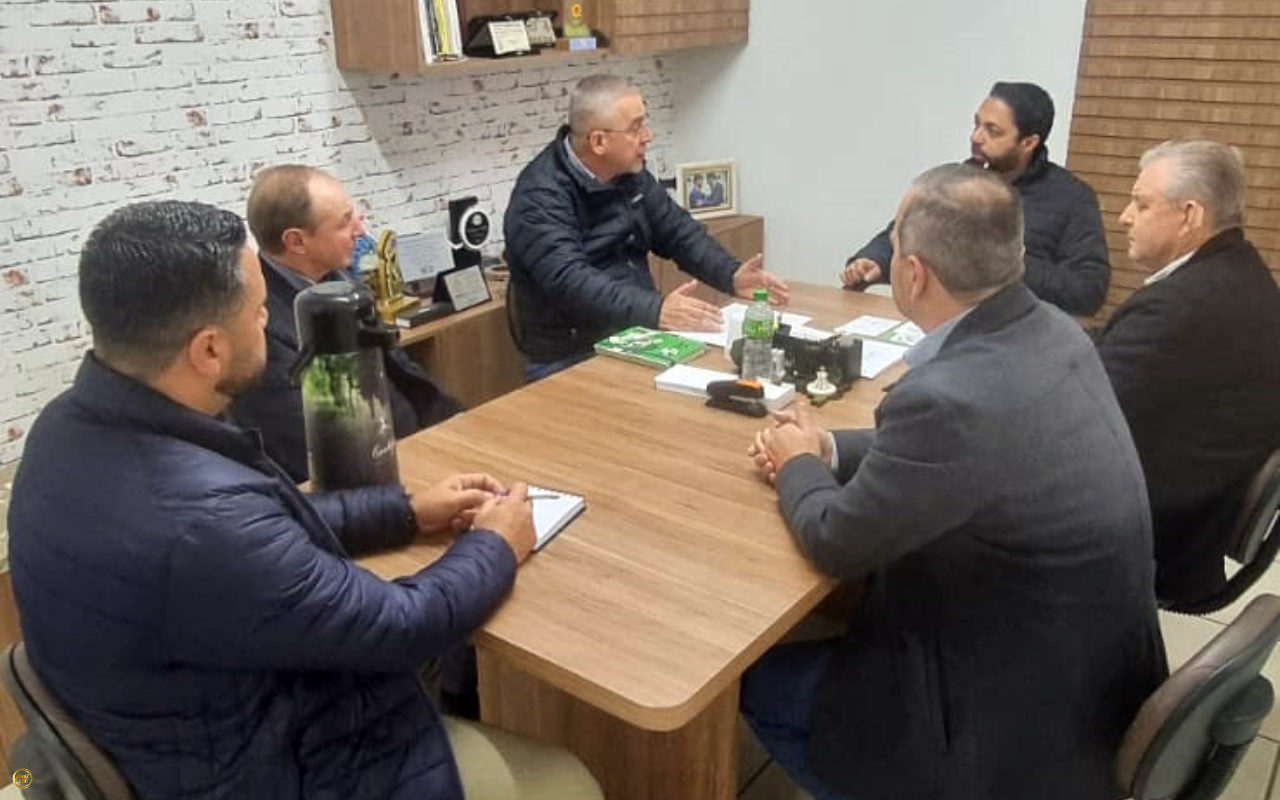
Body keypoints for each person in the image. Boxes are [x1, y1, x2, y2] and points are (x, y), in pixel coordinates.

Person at [6, 200, 603, 800]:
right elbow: (402, 625)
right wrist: (495, 543)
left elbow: (265, 521)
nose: (270, 321)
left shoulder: (65, 429)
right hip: (276, 768)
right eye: (260, 310)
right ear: (208, 350)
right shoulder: (205, 523)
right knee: (570, 781)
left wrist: (404, 512)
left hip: (171, 727)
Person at [745, 165, 1165, 800]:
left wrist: (797, 462)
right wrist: (827, 447)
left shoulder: (947, 399)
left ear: (913, 274)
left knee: (756, 680)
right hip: (1090, 686)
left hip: (1001, 732)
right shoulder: (1054, 331)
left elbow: (835, 542)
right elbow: (963, 454)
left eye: (894, 247)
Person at [504, 74, 790, 379]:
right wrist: (656, 310)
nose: (647, 136)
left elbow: (678, 231)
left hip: (638, 335)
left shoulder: (627, 173)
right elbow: (572, 282)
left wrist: (730, 274)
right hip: (574, 355)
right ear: (598, 141)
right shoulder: (539, 196)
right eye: (635, 128)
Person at [1094, 139, 1280, 606]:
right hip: (1193, 522)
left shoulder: (1182, 307)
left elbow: (1080, 410)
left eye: (1141, 204)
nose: (1125, 217)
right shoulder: (1238, 274)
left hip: (1152, 541)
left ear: (1189, 215)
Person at [230, 165, 460, 482]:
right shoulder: (261, 326)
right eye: (343, 222)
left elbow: (400, 370)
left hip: (416, 446)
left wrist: (454, 424)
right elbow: (311, 449)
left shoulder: (345, 282)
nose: (360, 230)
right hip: (373, 479)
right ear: (296, 241)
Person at [841, 81, 1110, 316]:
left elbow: (1088, 291)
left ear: (1028, 143)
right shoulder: (960, 180)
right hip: (940, 319)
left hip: (1016, 329)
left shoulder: (1072, 198)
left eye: (993, 131)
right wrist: (874, 260)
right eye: (977, 124)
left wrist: (1005, 261)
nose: (976, 137)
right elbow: (907, 230)